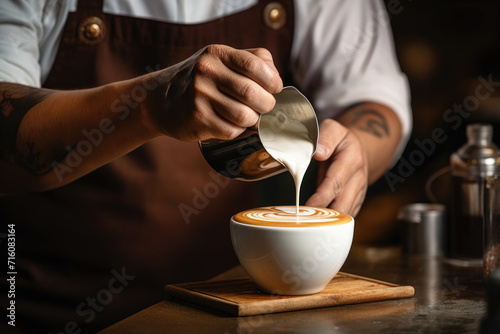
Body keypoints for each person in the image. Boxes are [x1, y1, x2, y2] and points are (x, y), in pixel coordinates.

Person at [0, 0, 411, 332]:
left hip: (222, 309)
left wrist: (357, 144)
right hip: (50, 307)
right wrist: (148, 104)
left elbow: (373, 98)